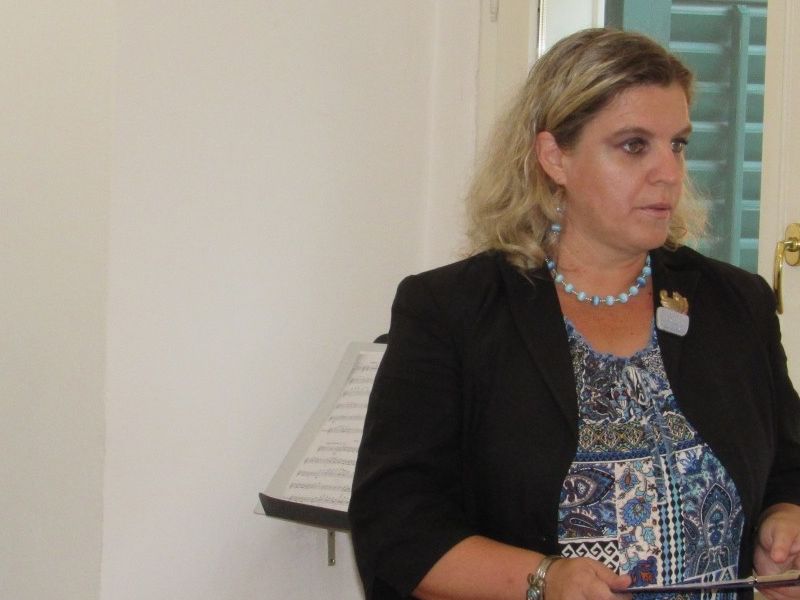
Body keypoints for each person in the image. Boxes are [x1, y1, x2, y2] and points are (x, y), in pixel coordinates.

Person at [348, 28, 800, 600]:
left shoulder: (736, 302)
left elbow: (789, 462)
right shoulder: (451, 311)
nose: (669, 171)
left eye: (678, 144)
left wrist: (784, 520)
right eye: (634, 145)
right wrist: (542, 578)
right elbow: (395, 526)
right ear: (555, 156)